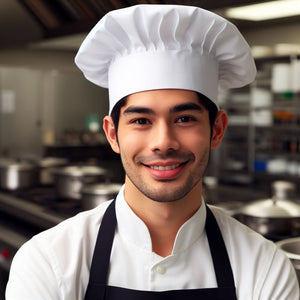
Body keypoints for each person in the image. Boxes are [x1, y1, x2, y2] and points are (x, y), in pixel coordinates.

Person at [6, 4, 299, 300]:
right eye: (141, 121)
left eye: (184, 119)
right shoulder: (48, 263)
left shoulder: (264, 268)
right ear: (112, 134)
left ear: (217, 130)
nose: (163, 142)